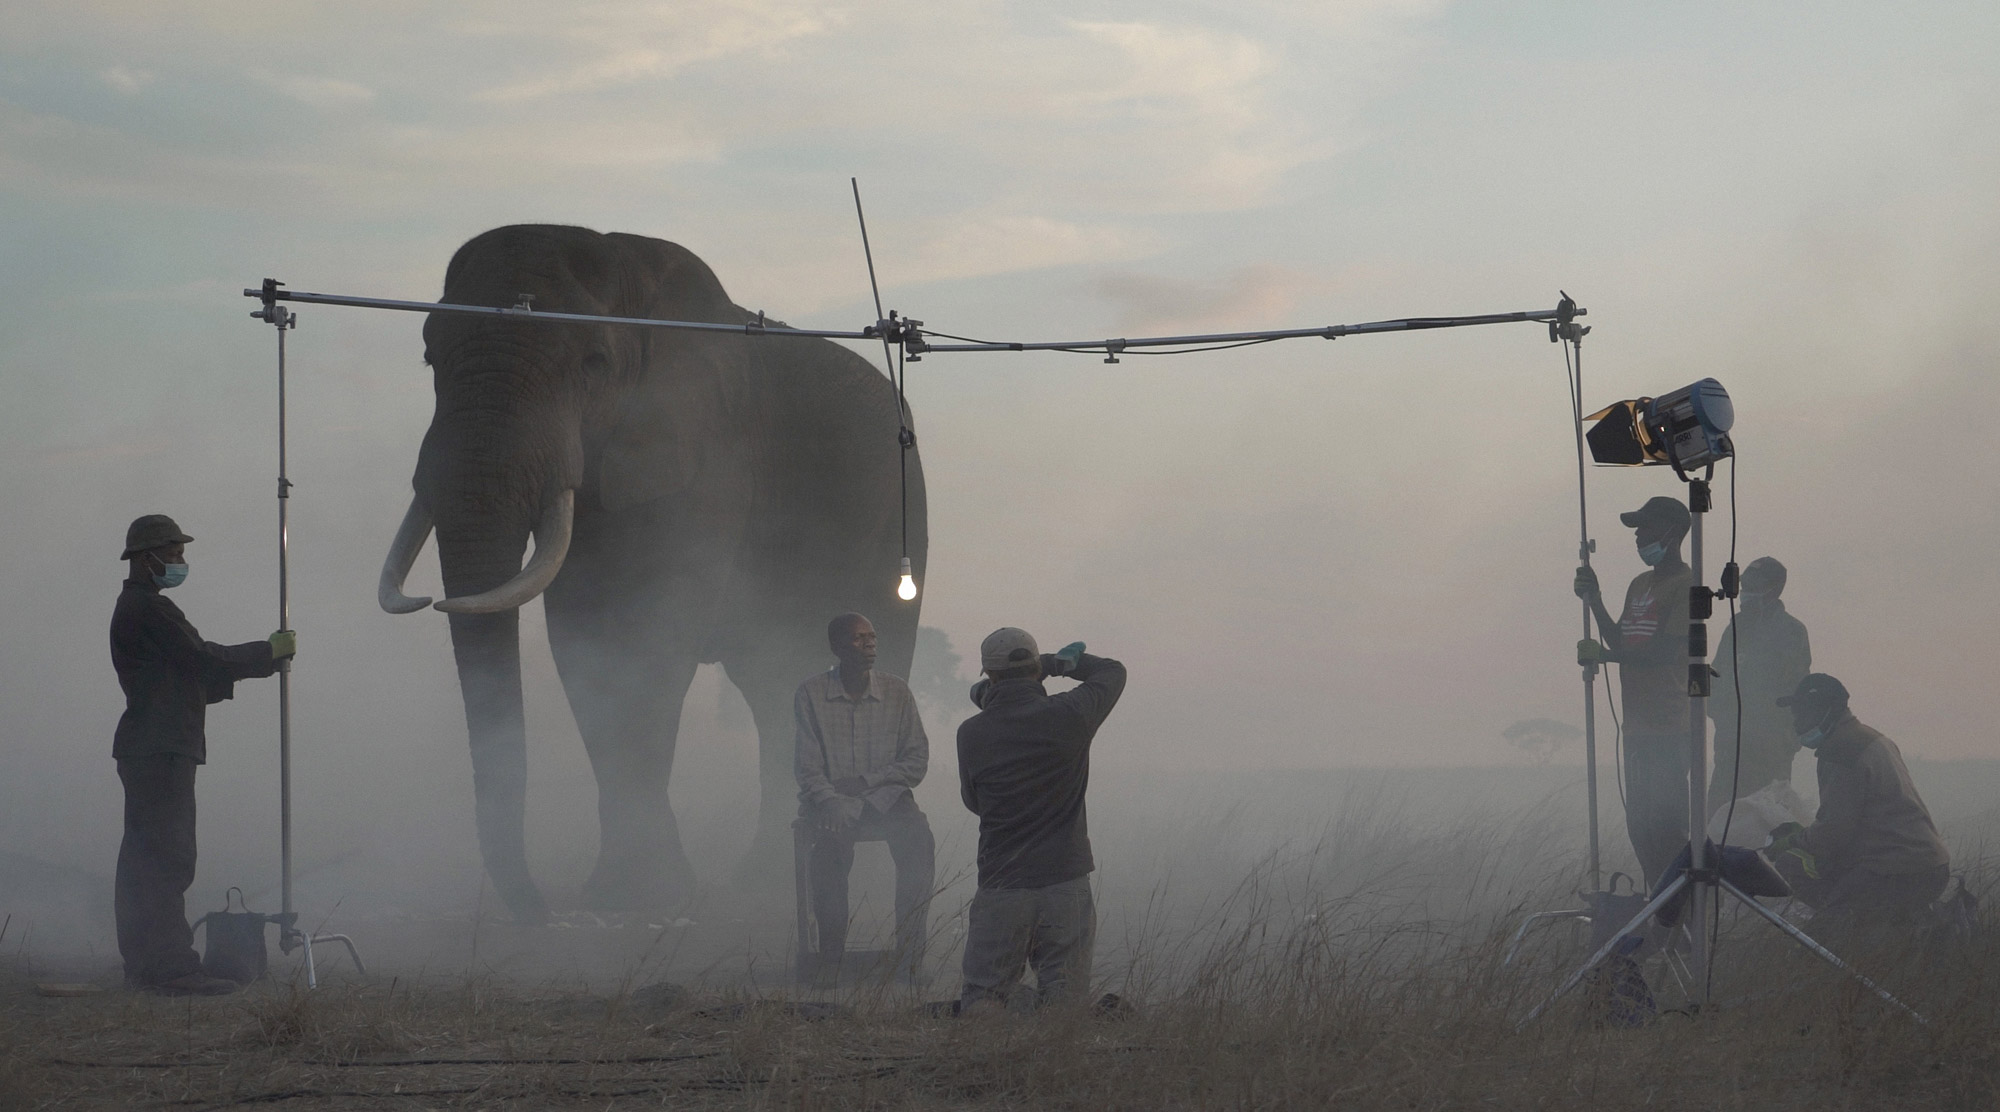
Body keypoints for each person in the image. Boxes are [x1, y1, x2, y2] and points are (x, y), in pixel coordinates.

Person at [110, 514, 294, 995]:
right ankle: (168, 970)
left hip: (155, 745)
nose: (181, 561)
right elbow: (201, 659)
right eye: (174, 553)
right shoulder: (151, 609)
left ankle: (148, 965)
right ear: (146, 557)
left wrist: (262, 664)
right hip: (159, 747)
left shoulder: (140, 609)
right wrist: (266, 653)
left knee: (150, 856)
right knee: (165, 857)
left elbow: (191, 679)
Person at [956, 628, 1125, 1014]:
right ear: (1035, 669)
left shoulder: (971, 733)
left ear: (989, 674)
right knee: (1063, 1004)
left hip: (1003, 882)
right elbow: (1112, 672)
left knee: (985, 998)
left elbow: (973, 801)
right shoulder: (1071, 714)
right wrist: (1054, 665)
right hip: (1065, 881)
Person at [793, 612, 934, 987]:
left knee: (919, 842)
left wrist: (866, 787)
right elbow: (807, 768)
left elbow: (915, 760)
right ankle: (831, 958)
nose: (870, 644)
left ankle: (910, 957)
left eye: (872, 637)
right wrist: (833, 801)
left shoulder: (896, 691)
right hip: (831, 802)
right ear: (837, 647)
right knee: (828, 855)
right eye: (858, 639)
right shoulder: (811, 693)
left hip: (887, 800)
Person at [1767, 673, 1950, 939]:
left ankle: (1861, 931)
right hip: (1932, 866)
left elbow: (1834, 834)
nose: (1796, 724)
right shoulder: (1874, 738)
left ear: (1825, 711)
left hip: (1895, 871)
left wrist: (1793, 841)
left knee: (1822, 941)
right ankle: (1909, 930)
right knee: (1881, 927)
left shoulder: (1841, 752)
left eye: (1801, 714)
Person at [1574, 495, 1693, 888]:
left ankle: (1677, 907)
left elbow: (1665, 652)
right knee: (1640, 826)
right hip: (1638, 726)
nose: (1639, 536)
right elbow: (1622, 640)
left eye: (1645, 527)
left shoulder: (1686, 585)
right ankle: (1658, 902)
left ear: (1672, 531)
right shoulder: (1639, 584)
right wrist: (1595, 601)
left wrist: (1606, 657)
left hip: (1670, 725)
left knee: (1668, 826)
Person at [1706, 556, 1812, 817]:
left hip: (1771, 750)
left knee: (1765, 821)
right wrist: (1719, 711)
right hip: (1731, 747)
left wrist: (1783, 737)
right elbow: (1718, 676)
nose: (1746, 593)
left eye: (1754, 586)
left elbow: (1793, 691)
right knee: (1719, 818)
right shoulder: (1736, 627)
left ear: (1774, 589)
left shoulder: (1791, 632)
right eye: (1745, 585)